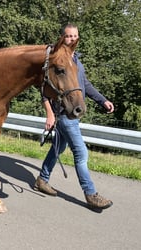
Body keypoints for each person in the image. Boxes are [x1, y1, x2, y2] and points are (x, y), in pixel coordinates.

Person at [34, 23, 115, 209]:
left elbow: (85, 85)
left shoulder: (76, 61)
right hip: (63, 114)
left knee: (57, 148)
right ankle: (90, 193)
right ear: (63, 38)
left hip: (73, 113)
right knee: (81, 153)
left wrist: (102, 100)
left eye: (75, 36)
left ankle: (42, 179)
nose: (72, 39)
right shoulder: (56, 61)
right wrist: (49, 114)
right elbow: (44, 90)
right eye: (69, 36)